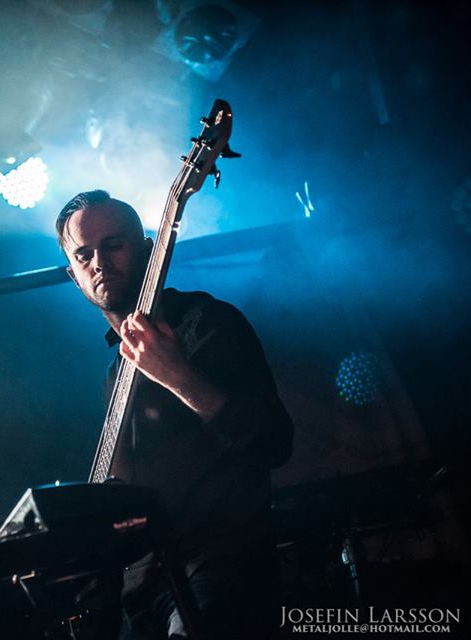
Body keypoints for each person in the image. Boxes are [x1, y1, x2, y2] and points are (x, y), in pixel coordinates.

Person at [56, 190, 294, 639]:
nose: (99, 263)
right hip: (141, 592)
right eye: (84, 255)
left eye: (113, 245)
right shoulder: (114, 375)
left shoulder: (209, 323)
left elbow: (275, 442)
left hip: (217, 568)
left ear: (148, 250)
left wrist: (177, 374)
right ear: (74, 275)